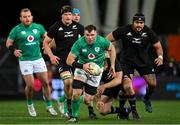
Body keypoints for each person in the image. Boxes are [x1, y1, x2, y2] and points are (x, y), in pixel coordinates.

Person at [106, 13, 163, 119]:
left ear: (144, 23)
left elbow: (158, 46)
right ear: (133, 22)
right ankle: (128, 112)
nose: (139, 25)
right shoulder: (124, 30)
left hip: (143, 61)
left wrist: (160, 57)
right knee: (126, 87)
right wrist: (109, 51)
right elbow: (107, 39)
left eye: (141, 23)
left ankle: (146, 98)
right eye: (137, 22)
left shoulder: (148, 31)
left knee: (153, 84)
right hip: (126, 62)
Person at [6, 8, 57, 117]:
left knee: (45, 83)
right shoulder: (16, 29)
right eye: (24, 17)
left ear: (32, 17)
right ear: (21, 18)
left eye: (29, 16)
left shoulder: (38, 27)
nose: (27, 18)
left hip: (38, 59)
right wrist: (14, 50)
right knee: (30, 85)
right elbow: (8, 42)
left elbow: (48, 38)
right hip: (25, 60)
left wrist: (48, 46)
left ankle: (49, 105)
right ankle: (30, 104)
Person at [66, 24, 116, 122]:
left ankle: (73, 100)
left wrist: (112, 65)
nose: (90, 37)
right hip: (82, 69)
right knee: (76, 93)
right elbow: (69, 60)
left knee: (87, 100)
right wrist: (83, 66)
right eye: (87, 35)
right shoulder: (79, 43)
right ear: (84, 34)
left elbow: (112, 49)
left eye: (92, 35)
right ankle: (74, 117)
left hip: (96, 72)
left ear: (96, 34)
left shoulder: (102, 41)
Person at [43, 5, 84, 118]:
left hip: (77, 61)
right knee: (68, 83)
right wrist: (51, 56)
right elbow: (45, 43)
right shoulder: (55, 27)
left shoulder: (79, 27)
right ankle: (68, 109)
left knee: (79, 90)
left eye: (70, 14)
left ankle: (62, 100)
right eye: (65, 14)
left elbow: (88, 41)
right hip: (63, 61)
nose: (68, 17)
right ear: (62, 15)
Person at [95, 52, 131, 120]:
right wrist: (98, 101)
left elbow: (118, 80)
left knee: (127, 86)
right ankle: (124, 110)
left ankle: (133, 108)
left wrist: (104, 86)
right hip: (108, 85)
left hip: (118, 83)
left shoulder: (114, 63)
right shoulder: (96, 66)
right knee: (103, 111)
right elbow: (96, 85)